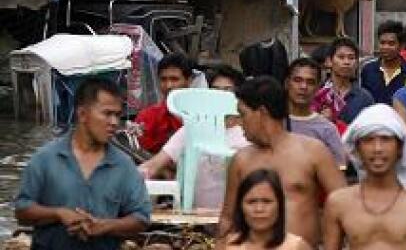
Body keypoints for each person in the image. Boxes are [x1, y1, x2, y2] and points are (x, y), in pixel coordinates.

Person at [16, 78, 150, 250]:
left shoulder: (124, 166)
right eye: (107, 113)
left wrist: (104, 226)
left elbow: (141, 218)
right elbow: (22, 211)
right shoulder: (45, 159)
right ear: (82, 114)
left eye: (117, 115)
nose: (114, 123)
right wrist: (58, 213)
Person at [221, 77, 346, 247]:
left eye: (243, 114)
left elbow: (344, 205)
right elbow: (228, 218)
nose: (239, 123)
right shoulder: (241, 160)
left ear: (262, 112)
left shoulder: (313, 151)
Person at [323, 105, 406, 250]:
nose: (377, 148)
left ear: (400, 148)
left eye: (385, 139)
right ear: (357, 149)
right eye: (369, 140)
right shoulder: (338, 202)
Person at [138, 66, 249, 207]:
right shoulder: (192, 128)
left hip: (238, 220)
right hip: (196, 221)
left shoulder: (249, 134)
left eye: (227, 91)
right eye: (215, 91)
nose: (220, 96)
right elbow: (154, 165)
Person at [225, 169, 312, 250]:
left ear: (279, 205)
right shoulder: (230, 245)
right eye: (251, 202)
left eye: (267, 201)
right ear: (241, 206)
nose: (259, 209)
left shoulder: (296, 246)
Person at [285, 58, 347, 167]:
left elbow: (339, 171)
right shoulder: (273, 123)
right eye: (298, 80)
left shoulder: (328, 130)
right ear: (287, 83)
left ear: (318, 88)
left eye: (310, 82)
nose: (303, 87)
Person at [134, 52, 192, 154]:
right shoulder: (146, 117)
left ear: (188, 81)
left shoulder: (201, 116)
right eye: (163, 79)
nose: (168, 85)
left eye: (174, 79)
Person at [313, 38, 375, 125]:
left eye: (351, 58)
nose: (346, 62)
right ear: (329, 61)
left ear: (357, 63)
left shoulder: (365, 98)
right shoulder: (316, 93)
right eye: (341, 57)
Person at [361, 22, 406, 106]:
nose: (385, 47)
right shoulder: (368, 70)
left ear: (402, 46)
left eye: (391, 43)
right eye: (382, 43)